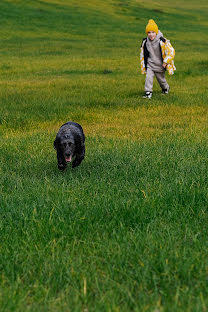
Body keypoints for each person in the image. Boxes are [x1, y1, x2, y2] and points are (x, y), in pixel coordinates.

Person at [140, 19, 176, 99]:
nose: (151, 34)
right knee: (148, 77)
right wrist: (144, 64)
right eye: (149, 32)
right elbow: (143, 53)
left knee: (161, 80)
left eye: (153, 32)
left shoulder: (163, 41)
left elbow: (171, 51)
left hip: (160, 65)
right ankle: (148, 92)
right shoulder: (145, 42)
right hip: (150, 64)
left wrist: (166, 61)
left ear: (156, 32)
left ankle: (165, 88)